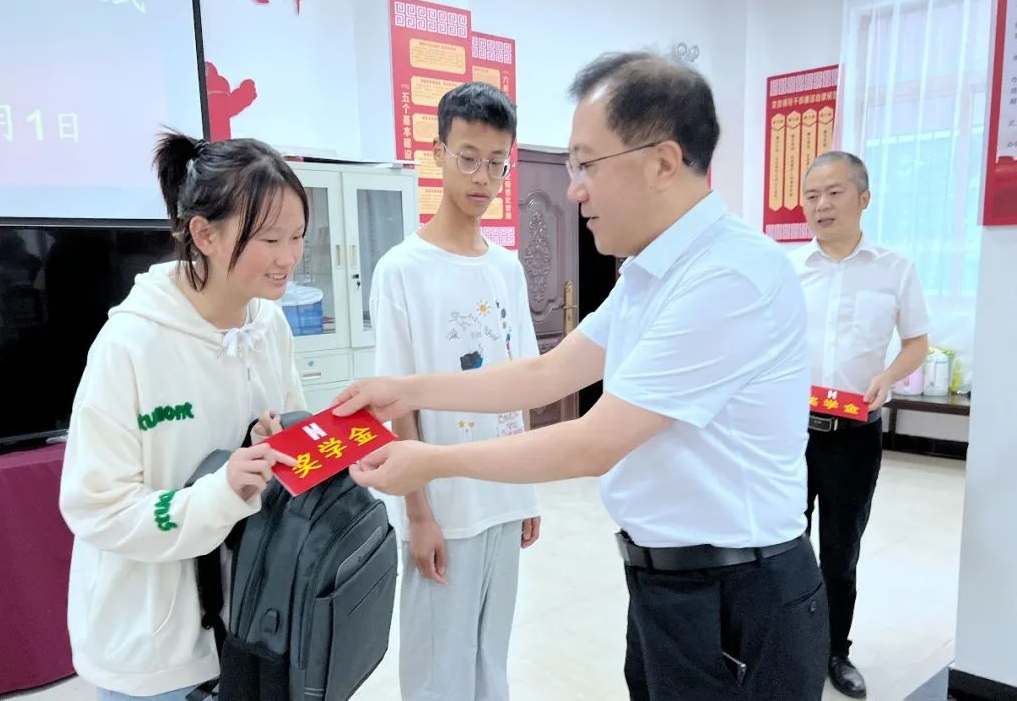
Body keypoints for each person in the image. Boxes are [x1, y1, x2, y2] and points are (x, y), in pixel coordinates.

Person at [334, 51, 829, 701]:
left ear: (663, 162)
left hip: (738, 595)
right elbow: (546, 372)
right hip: (670, 583)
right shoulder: (650, 274)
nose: (574, 190)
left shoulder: (727, 277)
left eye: (587, 164)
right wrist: (408, 389)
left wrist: (432, 461)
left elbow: (595, 442)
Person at [59, 132, 309, 701]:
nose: (289, 257)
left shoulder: (269, 326)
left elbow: (285, 433)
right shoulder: (130, 345)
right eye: (270, 238)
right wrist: (221, 492)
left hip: (250, 624)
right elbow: (97, 508)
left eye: (297, 236)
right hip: (152, 646)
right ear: (204, 234)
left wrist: (295, 438)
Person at [371, 81, 541, 701]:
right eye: (468, 158)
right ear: (438, 153)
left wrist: (527, 487)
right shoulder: (402, 269)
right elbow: (397, 405)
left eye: (496, 163)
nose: (482, 177)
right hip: (443, 507)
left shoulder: (506, 267)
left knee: (490, 658)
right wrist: (418, 515)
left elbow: (523, 380)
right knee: (437, 670)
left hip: (502, 494)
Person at [791, 151, 930, 699]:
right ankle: (788, 641)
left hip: (854, 435)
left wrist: (888, 376)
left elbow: (916, 342)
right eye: (811, 195)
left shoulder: (895, 268)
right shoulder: (789, 268)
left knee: (839, 551)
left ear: (863, 198)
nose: (820, 205)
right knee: (784, 543)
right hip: (789, 431)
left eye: (834, 192)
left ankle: (834, 650)